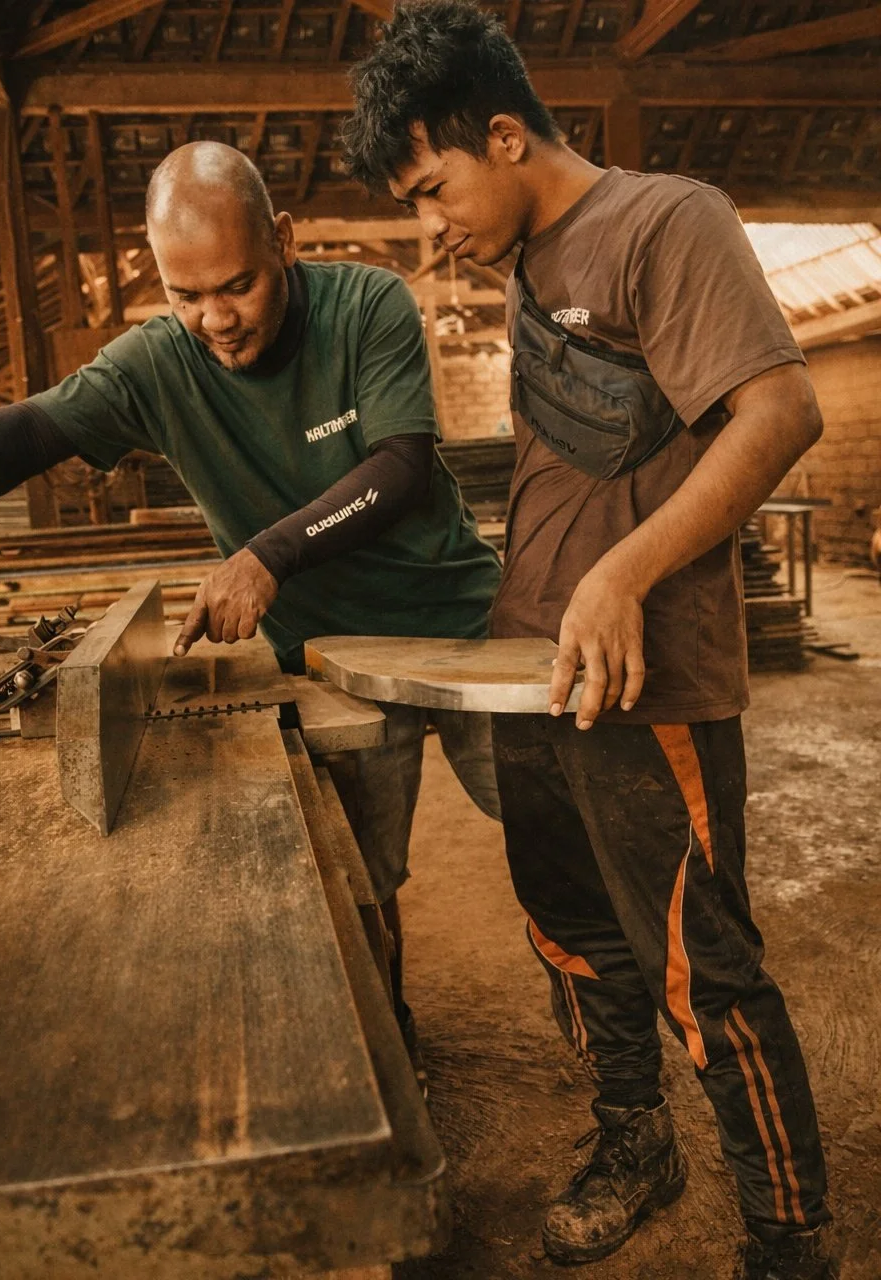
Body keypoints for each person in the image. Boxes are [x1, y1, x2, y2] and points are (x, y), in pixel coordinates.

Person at [342, 4, 836, 1277]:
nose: (429, 224)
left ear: (504, 135)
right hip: (534, 673)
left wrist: (621, 569)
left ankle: (787, 1240)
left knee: (702, 969)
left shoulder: (667, 221)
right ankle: (635, 1140)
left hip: (648, 675)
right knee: (571, 933)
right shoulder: (526, 261)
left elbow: (781, 409)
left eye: (434, 186)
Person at [0, 141, 503, 1078]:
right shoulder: (158, 365)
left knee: (557, 842)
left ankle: (625, 1080)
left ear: (281, 240)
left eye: (236, 286)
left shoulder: (370, 307)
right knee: (363, 877)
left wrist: (266, 555)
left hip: (460, 625)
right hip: (326, 655)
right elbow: (34, 427)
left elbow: (401, 471)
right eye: (185, 296)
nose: (215, 320)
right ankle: (387, 1049)